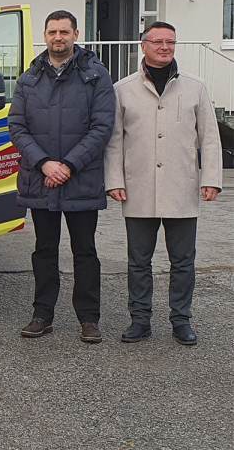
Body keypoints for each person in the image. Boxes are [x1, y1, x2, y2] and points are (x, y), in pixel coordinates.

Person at [105, 22, 222, 346]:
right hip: (138, 187)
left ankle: (181, 320)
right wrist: (114, 180)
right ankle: (140, 319)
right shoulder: (123, 89)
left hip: (181, 187)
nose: (165, 47)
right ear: (143, 46)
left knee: (183, 261)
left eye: (170, 41)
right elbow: (114, 140)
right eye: (157, 41)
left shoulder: (195, 87)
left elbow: (209, 138)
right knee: (138, 261)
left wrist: (211, 178)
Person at [8, 10, 115, 344]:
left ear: (75, 34)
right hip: (41, 179)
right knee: (44, 250)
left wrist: (67, 165)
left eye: (64, 32)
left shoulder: (96, 75)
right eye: (53, 32)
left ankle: (88, 319)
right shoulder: (29, 78)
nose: (58, 37)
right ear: (45, 35)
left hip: (79, 179)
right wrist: (44, 164)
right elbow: (16, 127)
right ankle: (42, 314)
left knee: (85, 251)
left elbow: (102, 127)